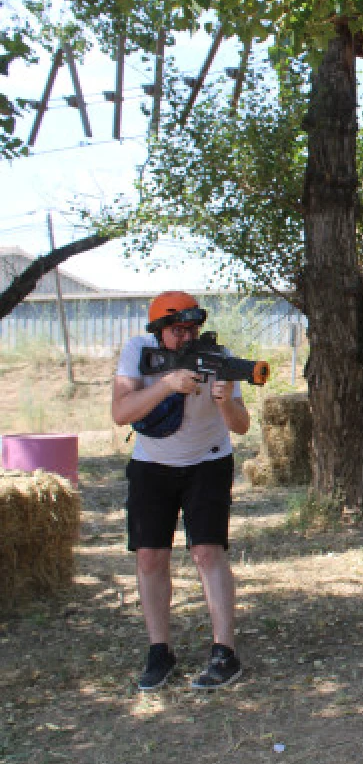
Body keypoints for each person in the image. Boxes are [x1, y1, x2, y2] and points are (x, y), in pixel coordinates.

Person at [111, 291, 251, 691]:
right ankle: (160, 650)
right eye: (178, 330)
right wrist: (167, 385)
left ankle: (224, 651)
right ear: (158, 332)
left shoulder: (218, 356)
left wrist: (225, 401)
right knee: (150, 557)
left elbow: (240, 426)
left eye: (193, 329)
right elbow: (121, 412)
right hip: (151, 464)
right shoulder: (138, 351)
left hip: (208, 461)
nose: (187, 338)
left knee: (207, 551)